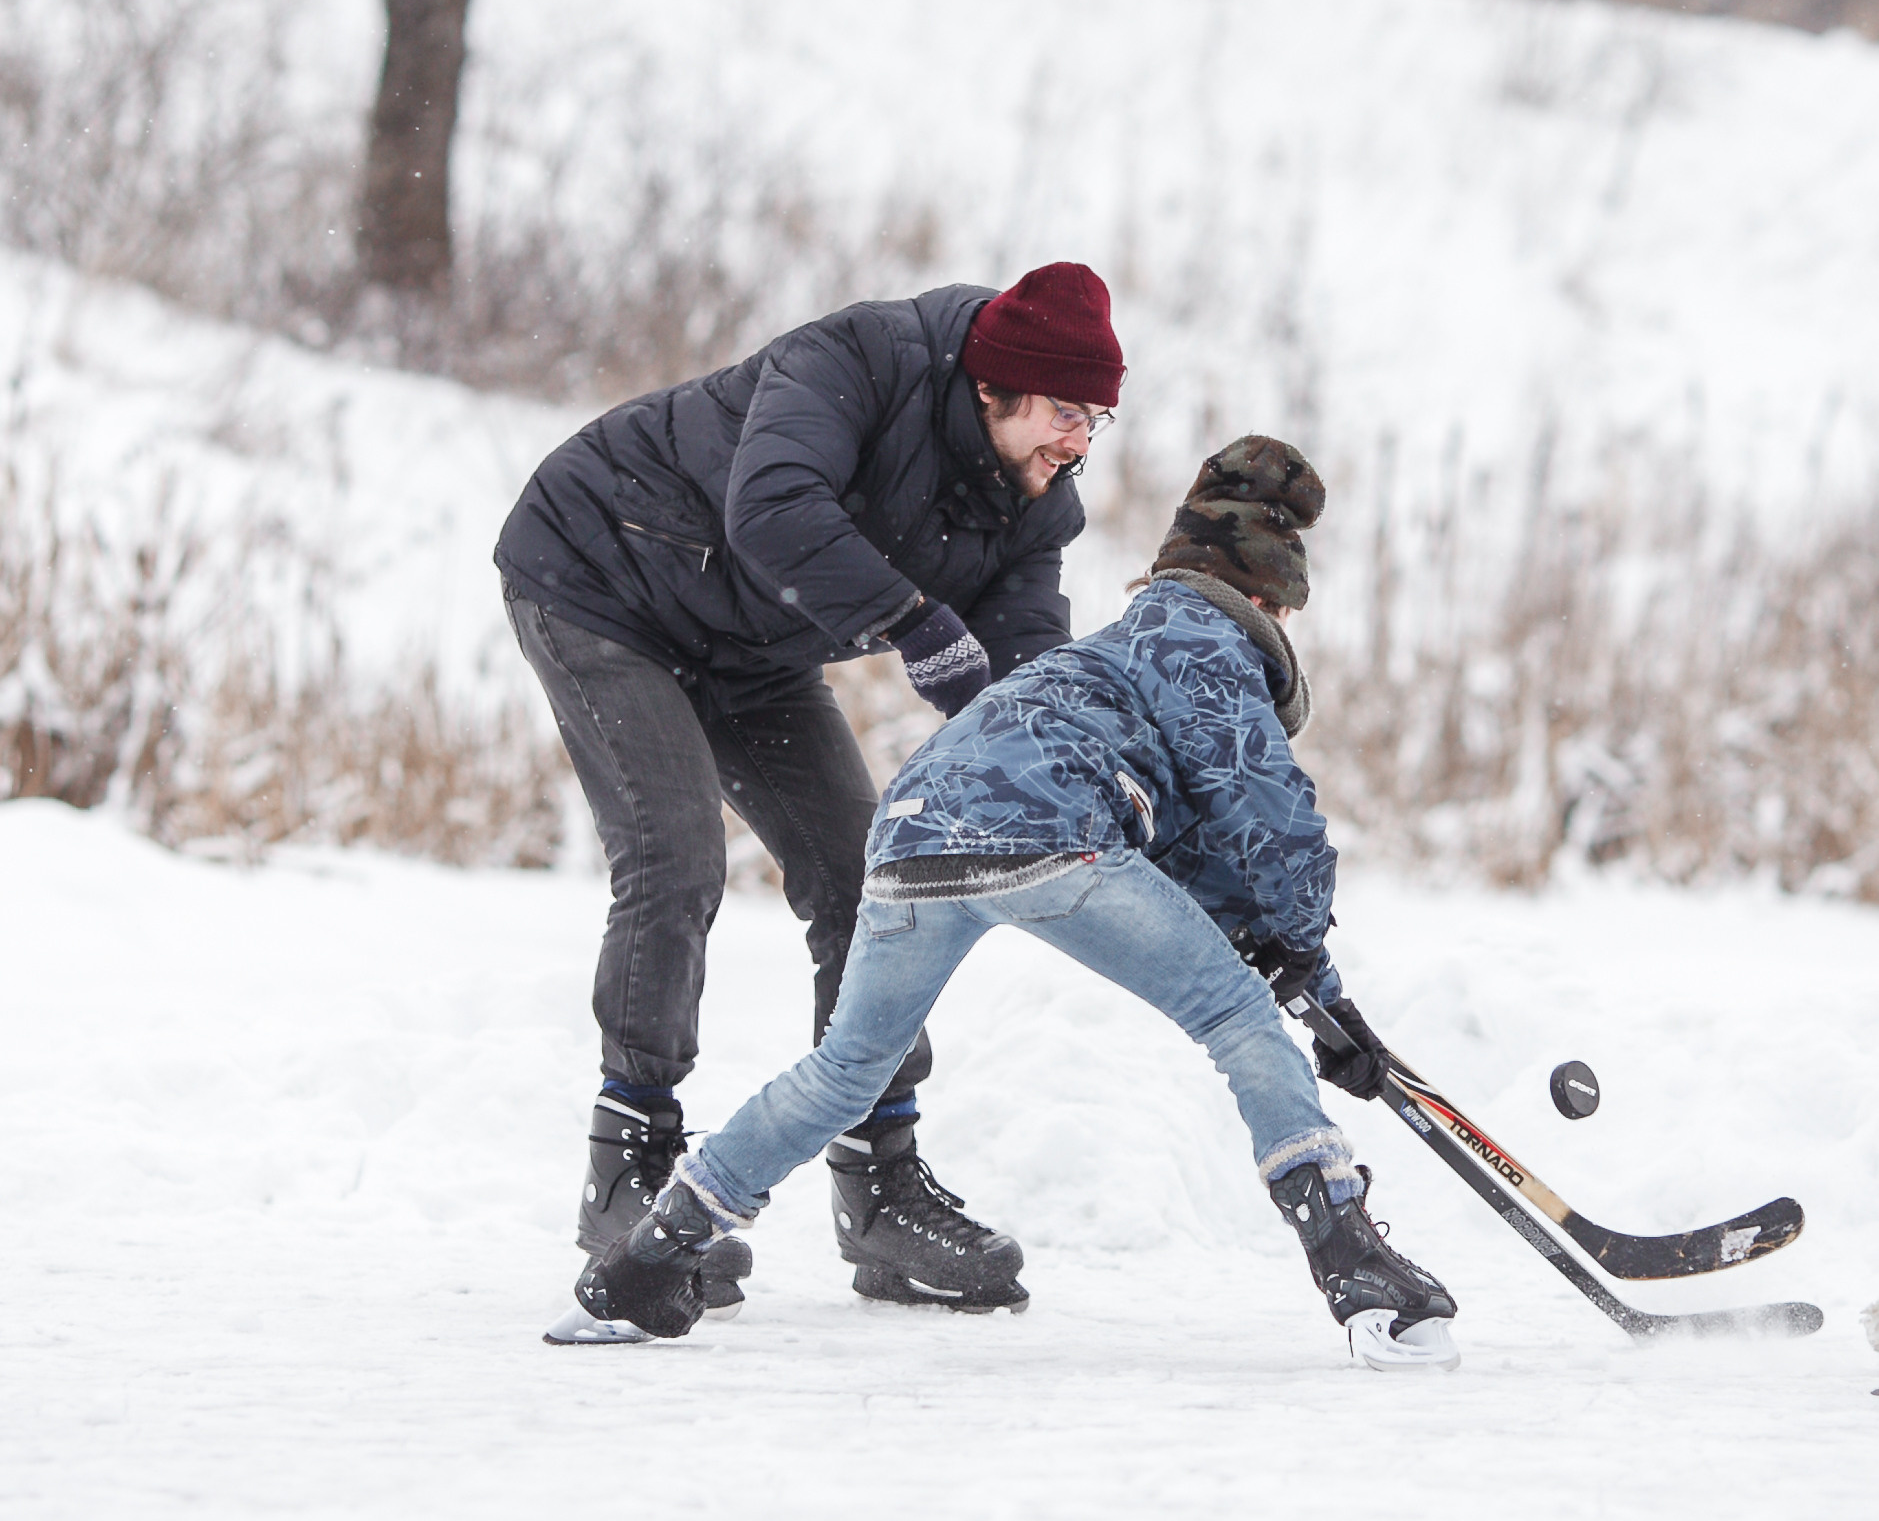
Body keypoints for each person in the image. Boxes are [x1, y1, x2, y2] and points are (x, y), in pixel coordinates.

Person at [548, 435, 1461, 1372]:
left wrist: (1297, 968)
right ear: (1264, 596)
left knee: (847, 1070)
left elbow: (1186, 838)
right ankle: (1354, 1266)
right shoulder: (1208, 637)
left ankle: (645, 1265)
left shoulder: (1110, 657)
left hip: (912, 831)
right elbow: (1268, 817)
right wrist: (1304, 963)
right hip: (1045, 833)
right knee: (1235, 1017)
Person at [495, 262, 1125, 1314]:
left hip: (750, 643)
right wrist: (919, 622)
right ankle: (629, 1170)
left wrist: (1074, 761)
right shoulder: (856, 360)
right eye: (1066, 412)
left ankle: (879, 1187)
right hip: (603, 578)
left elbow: (1021, 666)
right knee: (674, 854)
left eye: (1098, 418)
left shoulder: (1034, 504)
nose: (1079, 443)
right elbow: (774, 509)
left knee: (869, 878)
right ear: (992, 387)